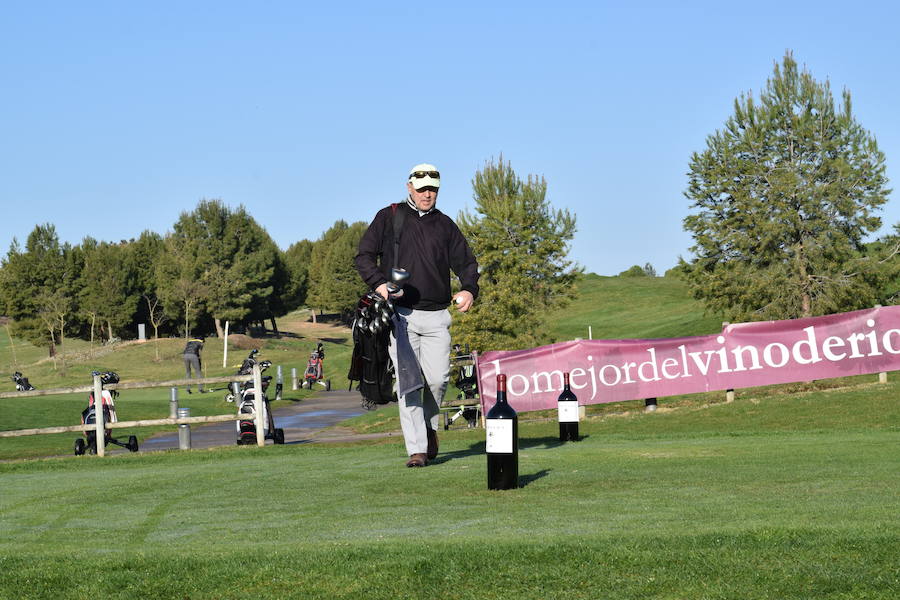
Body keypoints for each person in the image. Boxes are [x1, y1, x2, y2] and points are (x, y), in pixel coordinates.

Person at [356, 163, 479, 467]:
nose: (427, 194)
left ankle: (429, 428)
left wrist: (469, 289)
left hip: (438, 315)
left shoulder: (445, 224)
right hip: (401, 317)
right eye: (422, 188)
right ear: (409, 186)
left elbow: (466, 263)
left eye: (433, 189)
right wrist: (379, 283)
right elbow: (364, 256)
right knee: (410, 383)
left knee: (437, 381)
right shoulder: (390, 216)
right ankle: (417, 450)